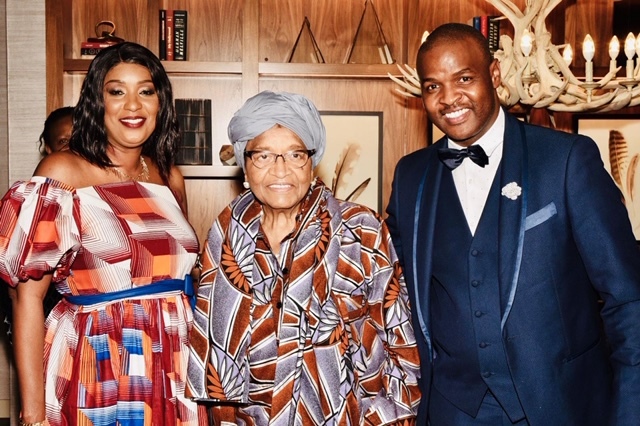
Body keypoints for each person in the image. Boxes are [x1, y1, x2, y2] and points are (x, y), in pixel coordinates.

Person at [385, 22, 640, 425]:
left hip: (560, 408)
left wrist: (628, 414)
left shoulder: (566, 160)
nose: (449, 98)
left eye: (464, 78)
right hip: (451, 410)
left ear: (495, 74)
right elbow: (386, 280)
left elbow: (628, 300)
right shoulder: (410, 176)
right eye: (433, 86)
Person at [186, 90, 421, 425]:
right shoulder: (225, 233)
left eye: (295, 154)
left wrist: (391, 414)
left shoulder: (361, 228)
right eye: (263, 156)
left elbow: (400, 334)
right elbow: (212, 347)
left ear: (311, 162)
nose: (280, 170)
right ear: (245, 165)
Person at [0, 42, 200, 425]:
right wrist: (33, 413)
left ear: (161, 103)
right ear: (97, 102)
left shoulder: (170, 176)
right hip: (98, 360)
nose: (133, 105)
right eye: (117, 91)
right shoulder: (64, 172)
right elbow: (26, 296)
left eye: (146, 91)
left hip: (173, 361)